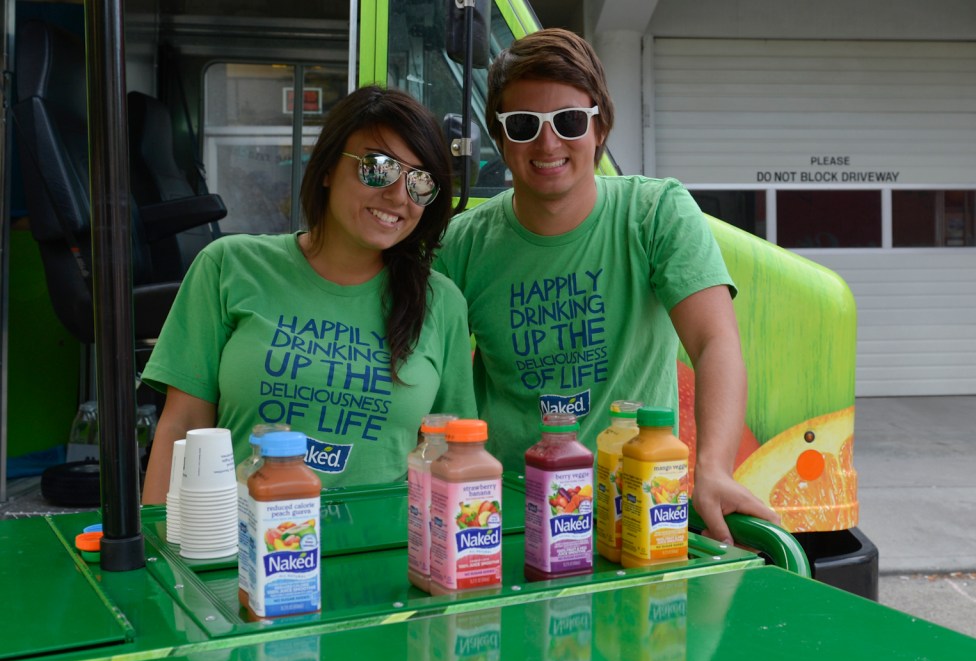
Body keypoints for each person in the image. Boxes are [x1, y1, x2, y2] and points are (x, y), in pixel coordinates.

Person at [433, 28, 780, 543]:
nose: (548, 143)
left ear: (600, 127)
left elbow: (714, 342)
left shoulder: (656, 213)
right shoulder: (461, 245)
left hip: (635, 508)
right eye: (524, 125)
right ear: (501, 141)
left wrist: (714, 470)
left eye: (569, 121)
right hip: (505, 522)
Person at [141, 85, 476, 504]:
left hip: (382, 552)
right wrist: (156, 551)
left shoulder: (441, 302)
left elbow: (454, 455)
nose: (397, 195)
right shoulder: (229, 266)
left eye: (420, 182)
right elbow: (181, 428)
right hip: (243, 548)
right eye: (378, 168)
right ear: (327, 169)